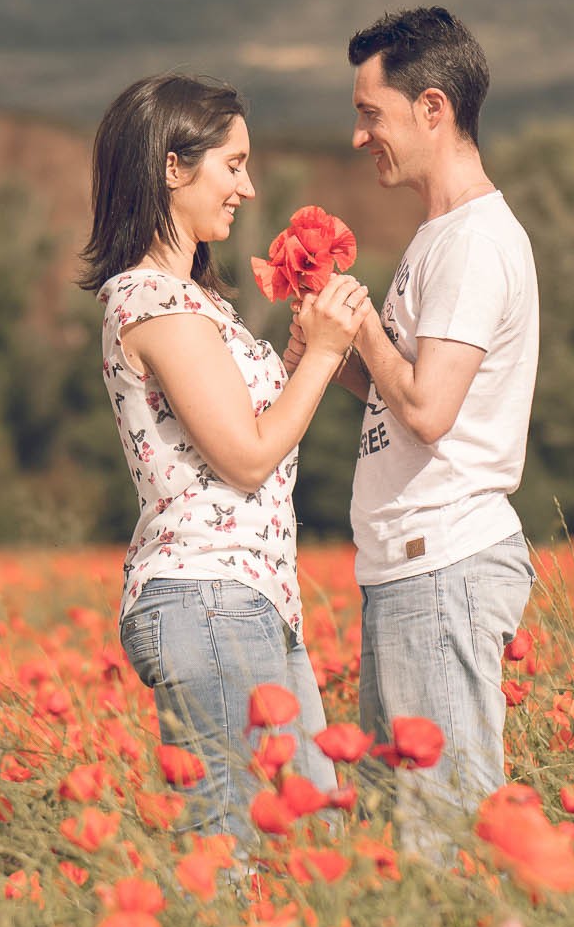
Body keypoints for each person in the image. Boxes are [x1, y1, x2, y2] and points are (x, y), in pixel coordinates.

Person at [81, 72, 373, 848]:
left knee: (310, 845)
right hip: (207, 595)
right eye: (233, 164)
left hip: (248, 597)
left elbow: (246, 433)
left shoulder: (199, 302)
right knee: (234, 852)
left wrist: (302, 350)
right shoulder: (151, 299)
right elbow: (246, 458)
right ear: (172, 167)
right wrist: (326, 355)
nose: (246, 187)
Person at [287, 7, 540, 858]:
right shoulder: (443, 237)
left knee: (447, 843)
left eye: (372, 114)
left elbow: (430, 410)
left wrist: (361, 324)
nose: (360, 137)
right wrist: (328, 347)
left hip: (444, 564)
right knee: (406, 839)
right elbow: (398, 397)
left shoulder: (472, 244)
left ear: (432, 107)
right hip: (410, 568)